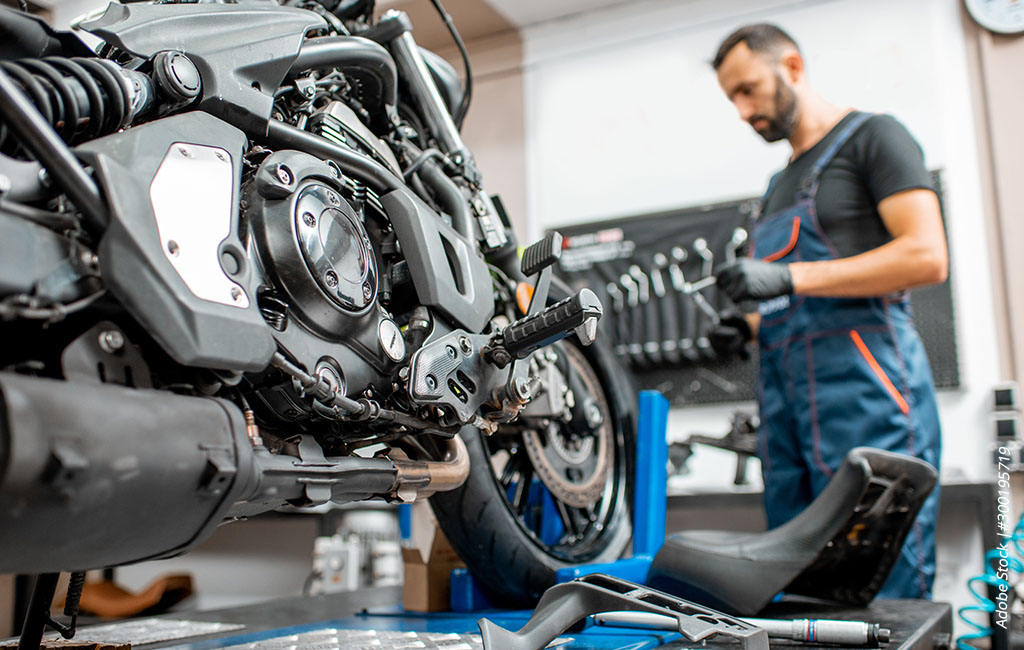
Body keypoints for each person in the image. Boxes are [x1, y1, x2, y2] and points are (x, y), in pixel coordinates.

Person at [708, 23, 946, 599]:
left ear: (791, 67)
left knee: (884, 574)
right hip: (788, 404)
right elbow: (799, 303)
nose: (742, 111)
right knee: (795, 576)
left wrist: (789, 274)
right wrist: (751, 325)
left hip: (866, 389)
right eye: (731, 98)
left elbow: (926, 255)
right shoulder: (777, 184)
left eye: (748, 90)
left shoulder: (875, 138)